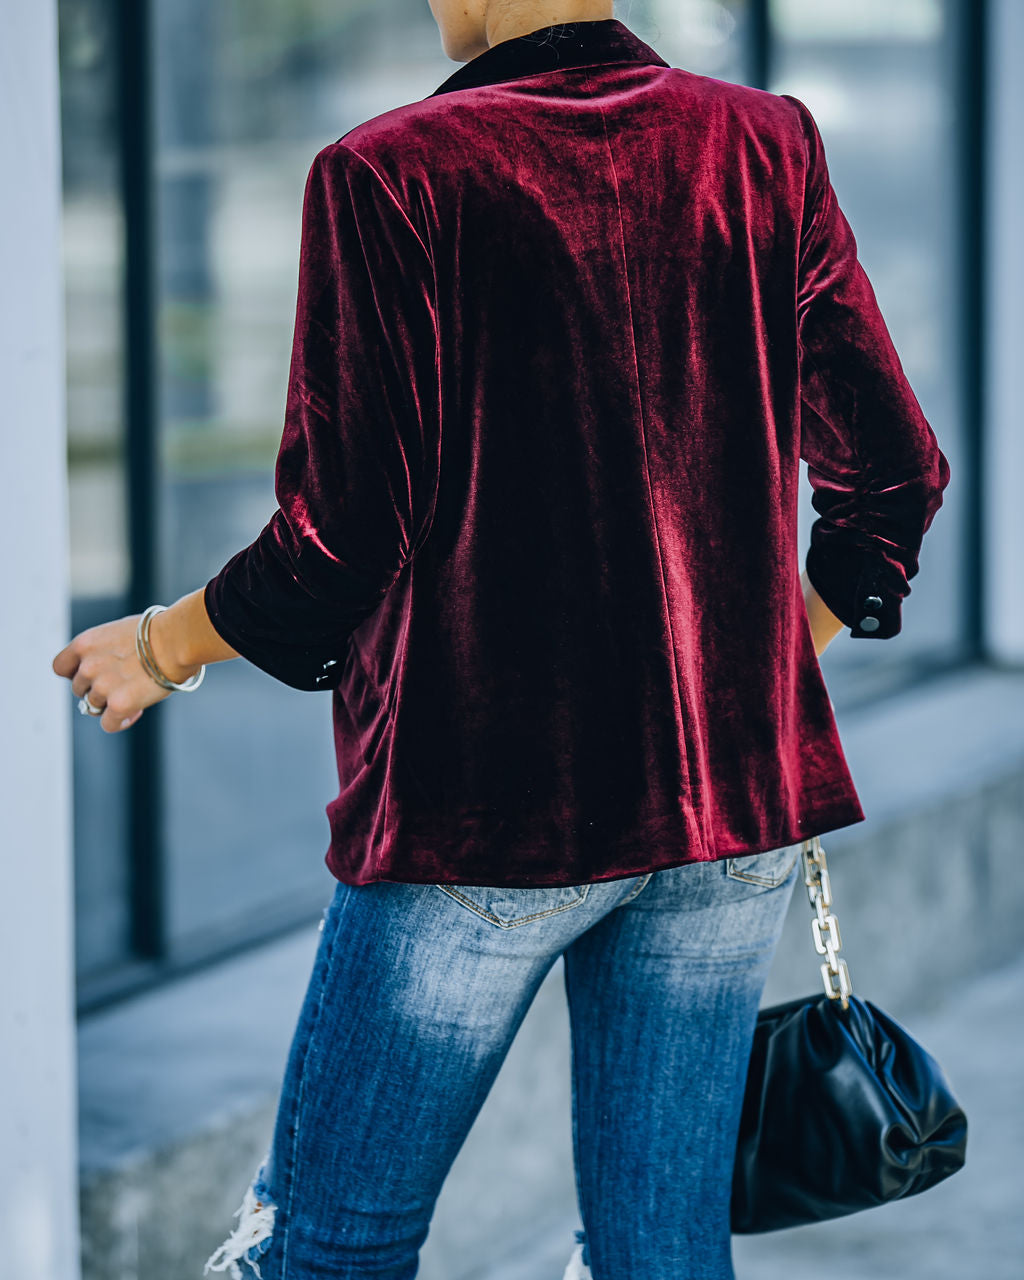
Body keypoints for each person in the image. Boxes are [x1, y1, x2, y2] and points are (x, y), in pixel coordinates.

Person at [52, 2, 951, 1277]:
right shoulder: (761, 141)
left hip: (481, 818)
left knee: (330, 1249)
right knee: (663, 1256)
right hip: (729, 815)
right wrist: (752, 666)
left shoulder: (390, 171)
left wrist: (160, 645)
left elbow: (340, 534)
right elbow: (894, 476)